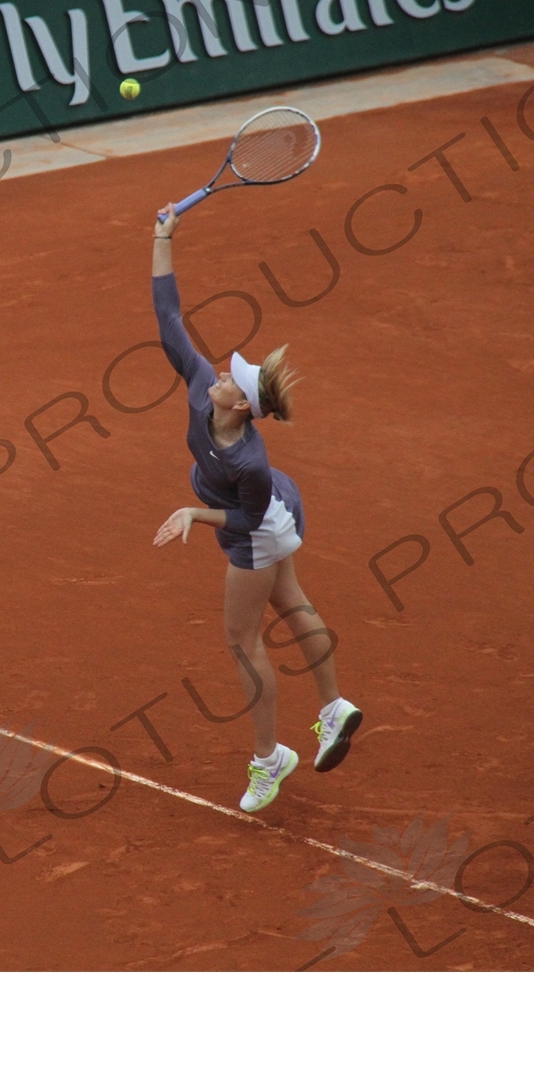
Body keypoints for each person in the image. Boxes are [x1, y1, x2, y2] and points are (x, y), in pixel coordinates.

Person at [150, 202, 362, 812]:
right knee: (291, 600)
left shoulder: (248, 462)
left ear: (240, 407)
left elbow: (245, 521)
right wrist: (164, 239)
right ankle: (333, 706)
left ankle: (271, 759)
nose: (219, 371)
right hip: (272, 509)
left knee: (242, 641)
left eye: (230, 379)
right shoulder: (200, 391)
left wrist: (194, 514)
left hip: (260, 523)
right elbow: (169, 319)